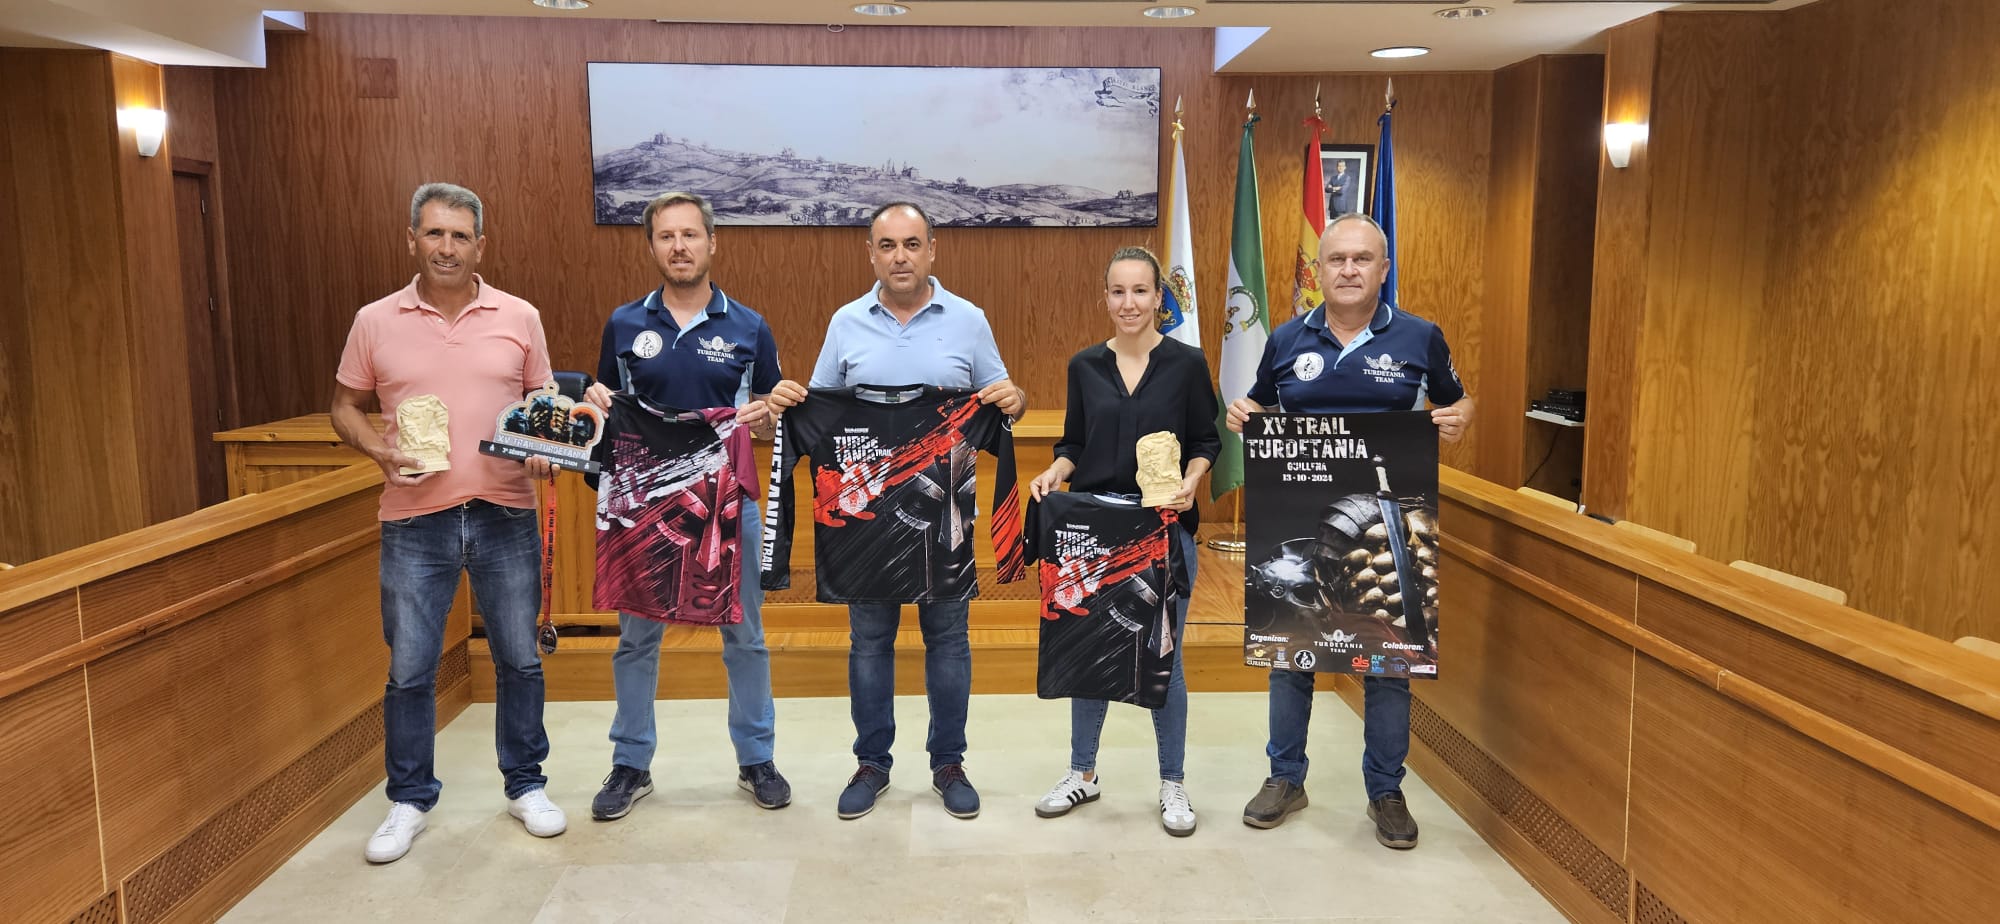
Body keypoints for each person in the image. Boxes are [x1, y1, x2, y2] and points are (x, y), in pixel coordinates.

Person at [766, 201, 1025, 821]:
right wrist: (788, 401)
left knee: (949, 640)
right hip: (865, 520)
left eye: (912, 244)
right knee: (869, 641)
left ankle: (949, 763)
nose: (900, 257)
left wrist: (1014, 398)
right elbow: (821, 405)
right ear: (871, 254)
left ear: (932, 249)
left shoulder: (969, 320)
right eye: (887, 246)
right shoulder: (846, 322)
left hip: (946, 514)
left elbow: (1005, 402)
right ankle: (871, 764)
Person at [332, 183, 567, 864]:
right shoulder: (374, 321)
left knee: (519, 658)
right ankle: (408, 799)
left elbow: (543, 396)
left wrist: (547, 443)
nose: (446, 247)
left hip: (506, 511)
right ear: (412, 239)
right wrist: (377, 450)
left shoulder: (519, 316)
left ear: (479, 246)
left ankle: (526, 785)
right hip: (414, 520)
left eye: (460, 235)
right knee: (410, 667)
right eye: (434, 233)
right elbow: (343, 406)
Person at [1224, 213, 1472, 848]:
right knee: (1291, 652)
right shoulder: (1287, 339)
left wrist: (1458, 418)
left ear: (1384, 269)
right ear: (1321, 270)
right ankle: (1285, 778)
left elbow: (1459, 400)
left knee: (1389, 660)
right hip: (1300, 519)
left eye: (1363, 259)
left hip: (1388, 530)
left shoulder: (1419, 337)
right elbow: (1258, 404)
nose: (1349, 270)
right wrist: (1244, 413)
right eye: (1337, 259)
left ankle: (1385, 791)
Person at [579, 191, 792, 821]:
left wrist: (768, 414)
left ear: (711, 243)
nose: (679, 246)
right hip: (644, 504)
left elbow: (770, 412)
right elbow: (605, 413)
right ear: (652, 246)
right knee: (636, 639)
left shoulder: (749, 327)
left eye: (690, 235)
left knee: (745, 635)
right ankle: (630, 764)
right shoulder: (625, 325)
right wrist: (595, 401)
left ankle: (756, 758)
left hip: (728, 501)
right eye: (666, 236)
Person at [1025, 246, 1218, 836]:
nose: (1128, 303)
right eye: (1118, 291)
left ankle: (1173, 781)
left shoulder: (1187, 364)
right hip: (1094, 531)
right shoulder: (1084, 365)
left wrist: (1191, 481)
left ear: (1159, 297)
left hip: (1163, 530)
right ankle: (1082, 773)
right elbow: (1074, 443)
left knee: (1165, 656)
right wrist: (1055, 471)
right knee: (1089, 652)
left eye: (1140, 291)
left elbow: (1206, 441)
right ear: (1104, 297)